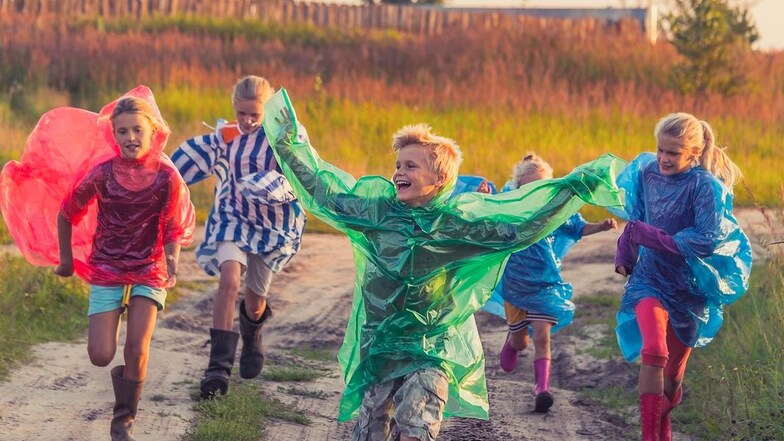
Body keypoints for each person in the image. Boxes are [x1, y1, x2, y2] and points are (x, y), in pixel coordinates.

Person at [262, 87, 625, 441]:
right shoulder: (377, 212)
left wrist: (573, 189)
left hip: (431, 347)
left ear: (439, 180)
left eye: (410, 165)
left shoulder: (454, 225)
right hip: (381, 345)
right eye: (397, 165)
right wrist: (291, 145)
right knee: (373, 431)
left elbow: (516, 228)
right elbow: (326, 192)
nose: (398, 172)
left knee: (416, 429)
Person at [47, 90, 193, 440]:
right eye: (123, 131)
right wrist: (67, 262)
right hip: (108, 266)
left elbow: (172, 226)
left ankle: (123, 419)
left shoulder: (165, 178)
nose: (130, 137)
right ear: (114, 135)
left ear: (152, 131)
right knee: (101, 354)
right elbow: (66, 214)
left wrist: (172, 256)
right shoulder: (102, 174)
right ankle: (123, 372)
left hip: (149, 267)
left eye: (137, 130)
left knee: (136, 347)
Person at [612, 113, 752, 441]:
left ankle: (665, 413)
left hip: (689, 288)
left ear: (692, 153)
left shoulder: (705, 187)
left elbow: (706, 239)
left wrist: (656, 238)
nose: (663, 158)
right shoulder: (646, 173)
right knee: (654, 352)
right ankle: (649, 435)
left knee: (672, 381)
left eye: (672, 153)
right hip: (648, 280)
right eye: (660, 149)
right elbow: (635, 222)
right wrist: (625, 256)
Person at [171, 75, 305, 399]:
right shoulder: (225, 138)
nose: (246, 121)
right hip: (232, 218)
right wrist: (157, 180)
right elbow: (182, 165)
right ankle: (217, 369)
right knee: (229, 280)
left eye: (254, 115)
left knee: (255, 300)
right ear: (234, 107)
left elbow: (302, 175)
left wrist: (272, 185)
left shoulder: (282, 138)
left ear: (266, 112)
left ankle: (253, 332)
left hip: (270, 226)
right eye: (241, 113)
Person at [473, 153, 617, 414]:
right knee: (521, 343)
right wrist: (483, 197)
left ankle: (542, 390)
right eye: (529, 187)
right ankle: (513, 342)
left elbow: (577, 228)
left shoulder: (555, 210)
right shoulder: (511, 208)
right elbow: (486, 217)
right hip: (515, 287)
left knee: (542, 338)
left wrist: (601, 227)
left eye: (541, 186)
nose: (535, 192)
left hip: (545, 285)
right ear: (518, 188)